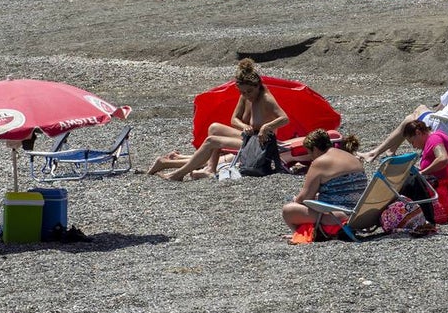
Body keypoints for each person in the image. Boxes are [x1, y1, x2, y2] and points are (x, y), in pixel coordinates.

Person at [153, 58, 288, 181]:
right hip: (249, 137)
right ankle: (210, 168)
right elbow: (234, 120)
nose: (247, 95)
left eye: (249, 91)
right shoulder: (245, 97)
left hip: (261, 144)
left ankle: (178, 174)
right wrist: (243, 126)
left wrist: (267, 127)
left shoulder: (266, 99)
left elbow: (284, 118)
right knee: (214, 127)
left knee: (212, 140)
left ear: (258, 86)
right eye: (242, 92)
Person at [359, 64, 448, 162]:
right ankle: (389, 151)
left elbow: (442, 106)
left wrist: (431, 115)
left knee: (418, 111)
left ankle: (375, 152)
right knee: (411, 118)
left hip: (440, 129)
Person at [280, 130, 366, 230]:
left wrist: (296, 200)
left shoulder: (320, 162)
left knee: (288, 210)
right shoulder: (351, 157)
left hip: (338, 215)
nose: (310, 158)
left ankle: (300, 234)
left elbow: (304, 198)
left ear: (315, 149)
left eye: (309, 153)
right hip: (361, 213)